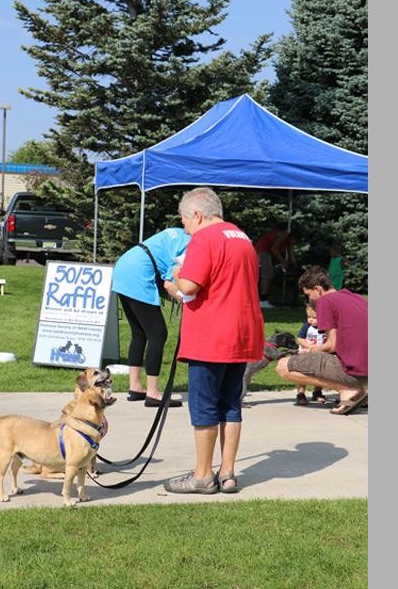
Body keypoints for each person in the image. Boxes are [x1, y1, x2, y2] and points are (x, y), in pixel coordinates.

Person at [163, 187, 264, 494]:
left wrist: (178, 273)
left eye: (185, 221)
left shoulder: (204, 239)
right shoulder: (241, 236)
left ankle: (203, 475)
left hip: (211, 335)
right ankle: (228, 472)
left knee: (204, 404)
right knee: (231, 404)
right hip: (241, 333)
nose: (184, 228)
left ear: (197, 214)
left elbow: (191, 284)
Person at [112, 227, 190, 408]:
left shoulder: (179, 232)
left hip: (124, 266)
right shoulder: (192, 244)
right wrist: (186, 300)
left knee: (139, 333)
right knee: (158, 334)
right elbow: (170, 284)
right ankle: (153, 393)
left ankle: (135, 388)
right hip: (139, 273)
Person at [276, 265, 368, 415]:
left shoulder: (325, 301)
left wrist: (309, 351)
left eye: (308, 294)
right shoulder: (354, 297)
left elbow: (331, 345)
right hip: (367, 370)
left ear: (318, 289)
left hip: (353, 370)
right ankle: (357, 389)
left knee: (283, 366)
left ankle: (348, 389)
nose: (309, 299)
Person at [254, 226, 297, 308]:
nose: (295, 243)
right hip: (262, 252)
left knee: (268, 274)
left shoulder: (288, 241)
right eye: (295, 240)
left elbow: (290, 251)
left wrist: (294, 264)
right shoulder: (284, 235)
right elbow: (274, 248)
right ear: (292, 237)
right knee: (267, 275)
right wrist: (283, 261)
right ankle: (263, 301)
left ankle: (263, 299)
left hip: (266, 253)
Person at [294, 303, 326, 406]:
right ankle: (301, 394)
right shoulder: (307, 327)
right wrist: (309, 346)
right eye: (309, 317)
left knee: (321, 374)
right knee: (302, 374)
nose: (311, 320)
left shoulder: (326, 328)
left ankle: (317, 392)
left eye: (314, 318)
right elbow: (300, 339)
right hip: (305, 354)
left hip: (320, 355)